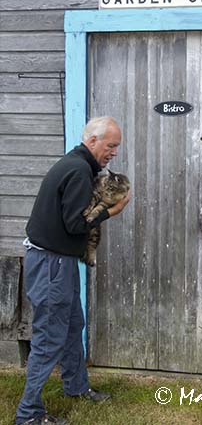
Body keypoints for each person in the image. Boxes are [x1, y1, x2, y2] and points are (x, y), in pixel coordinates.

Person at [16, 117, 130, 425]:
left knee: (70, 327)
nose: (114, 152)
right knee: (49, 337)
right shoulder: (79, 171)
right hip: (51, 262)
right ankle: (28, 415)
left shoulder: (75, 164)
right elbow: (75, 224)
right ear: (93, 141)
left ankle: (77, 388)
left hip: (59, 260)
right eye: (111, 145)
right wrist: (112, 211)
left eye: (116, 146)